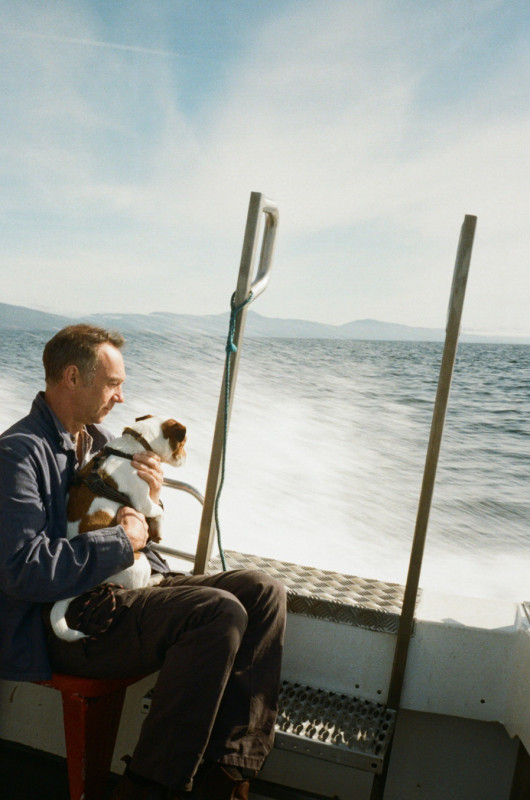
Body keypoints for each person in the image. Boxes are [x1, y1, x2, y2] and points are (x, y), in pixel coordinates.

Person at [0, 324, 287, 800]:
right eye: (113, 383)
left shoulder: (101, 440)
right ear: (72, 377)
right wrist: (121, 539)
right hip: (63, 620)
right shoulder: (18, 454)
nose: (121, 396)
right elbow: (21, 571)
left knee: (261, 591)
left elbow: (142, 538)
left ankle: (227, 778)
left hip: (119, 588)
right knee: (216, 612)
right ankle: (148, 789)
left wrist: (151, 499)